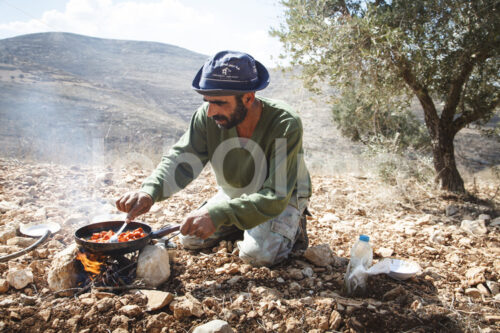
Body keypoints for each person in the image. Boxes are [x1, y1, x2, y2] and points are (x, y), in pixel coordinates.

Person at [116, 50, 312, 266]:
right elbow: (182, 159)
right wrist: (149, 191)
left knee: (258, 256)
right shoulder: (207, 116)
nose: (210, 112)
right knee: (190, 238)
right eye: (207, 101)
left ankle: (292, 226)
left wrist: (217, 215)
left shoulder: (285, 123)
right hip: (236, 193)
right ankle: (245, 222)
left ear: (248, 98)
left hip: (280, 197)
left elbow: (276, 194)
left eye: (219, 103)